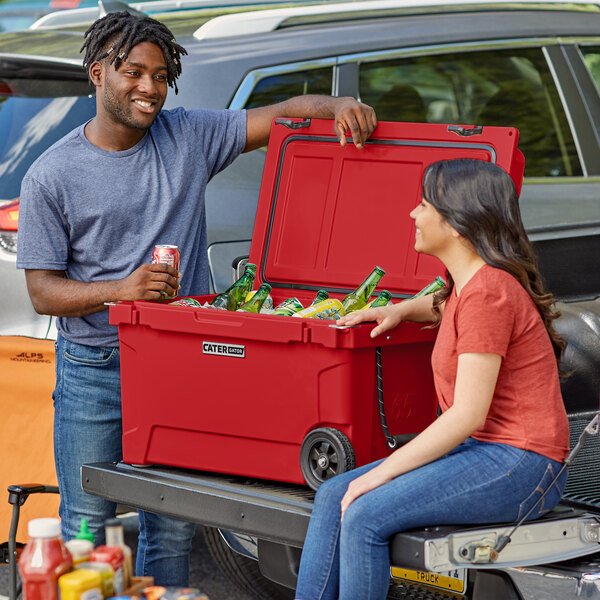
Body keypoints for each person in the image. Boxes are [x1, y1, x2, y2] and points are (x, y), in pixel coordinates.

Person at [15, 10, 376, 586]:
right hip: (95, 369)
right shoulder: (52, 175)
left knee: (174, 519)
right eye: (134, 73)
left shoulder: (188, 135)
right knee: (86, 518)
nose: (149, 89)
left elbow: (280, 116)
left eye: (160, 76)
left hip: (179, 367)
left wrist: (337, 108)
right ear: (97, 74)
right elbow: (41, 292)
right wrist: (122, 291)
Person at [294, 158, 570, 600]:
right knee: (332, 496)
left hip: (523, 463)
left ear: (459, 223)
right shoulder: (469, 284)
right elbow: (444, 306)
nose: (412, 214)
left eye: (423, 204)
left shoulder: (488, 292)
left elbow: (466, 414)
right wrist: (398, 310)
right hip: (487, 450)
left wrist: (378, 475)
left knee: (364, 512)